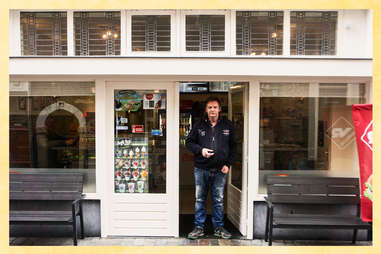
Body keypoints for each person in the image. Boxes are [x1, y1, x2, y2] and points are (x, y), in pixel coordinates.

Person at [185, 97, 237, 239]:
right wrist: (200, 150)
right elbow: (188, 142)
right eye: (209, 107)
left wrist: (228, 164)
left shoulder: (228, 125)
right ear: (206, 110)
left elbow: (234, 147)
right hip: (201, 169)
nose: (212, 110)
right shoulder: (199, 125)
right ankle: (199, 228)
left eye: (215, 107)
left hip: (220, 170)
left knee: (218, 200)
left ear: (220, 109)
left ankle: (218, 228)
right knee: (200, 199)